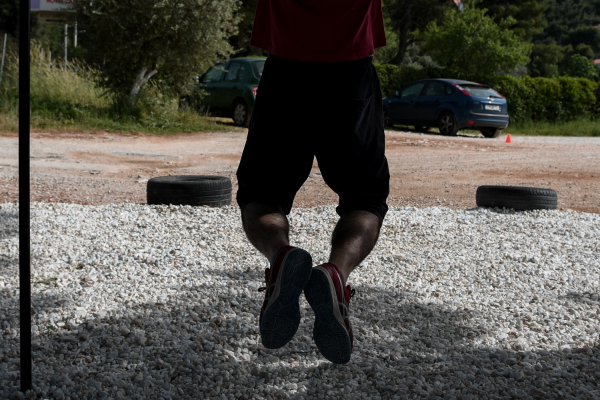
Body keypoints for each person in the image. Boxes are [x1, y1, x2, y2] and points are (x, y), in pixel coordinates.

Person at [236, 0, 390, 365]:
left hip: (286, 71)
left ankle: (281, 254)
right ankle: (335, 273)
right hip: (351, 72)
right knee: (364, 199)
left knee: (262, 192)